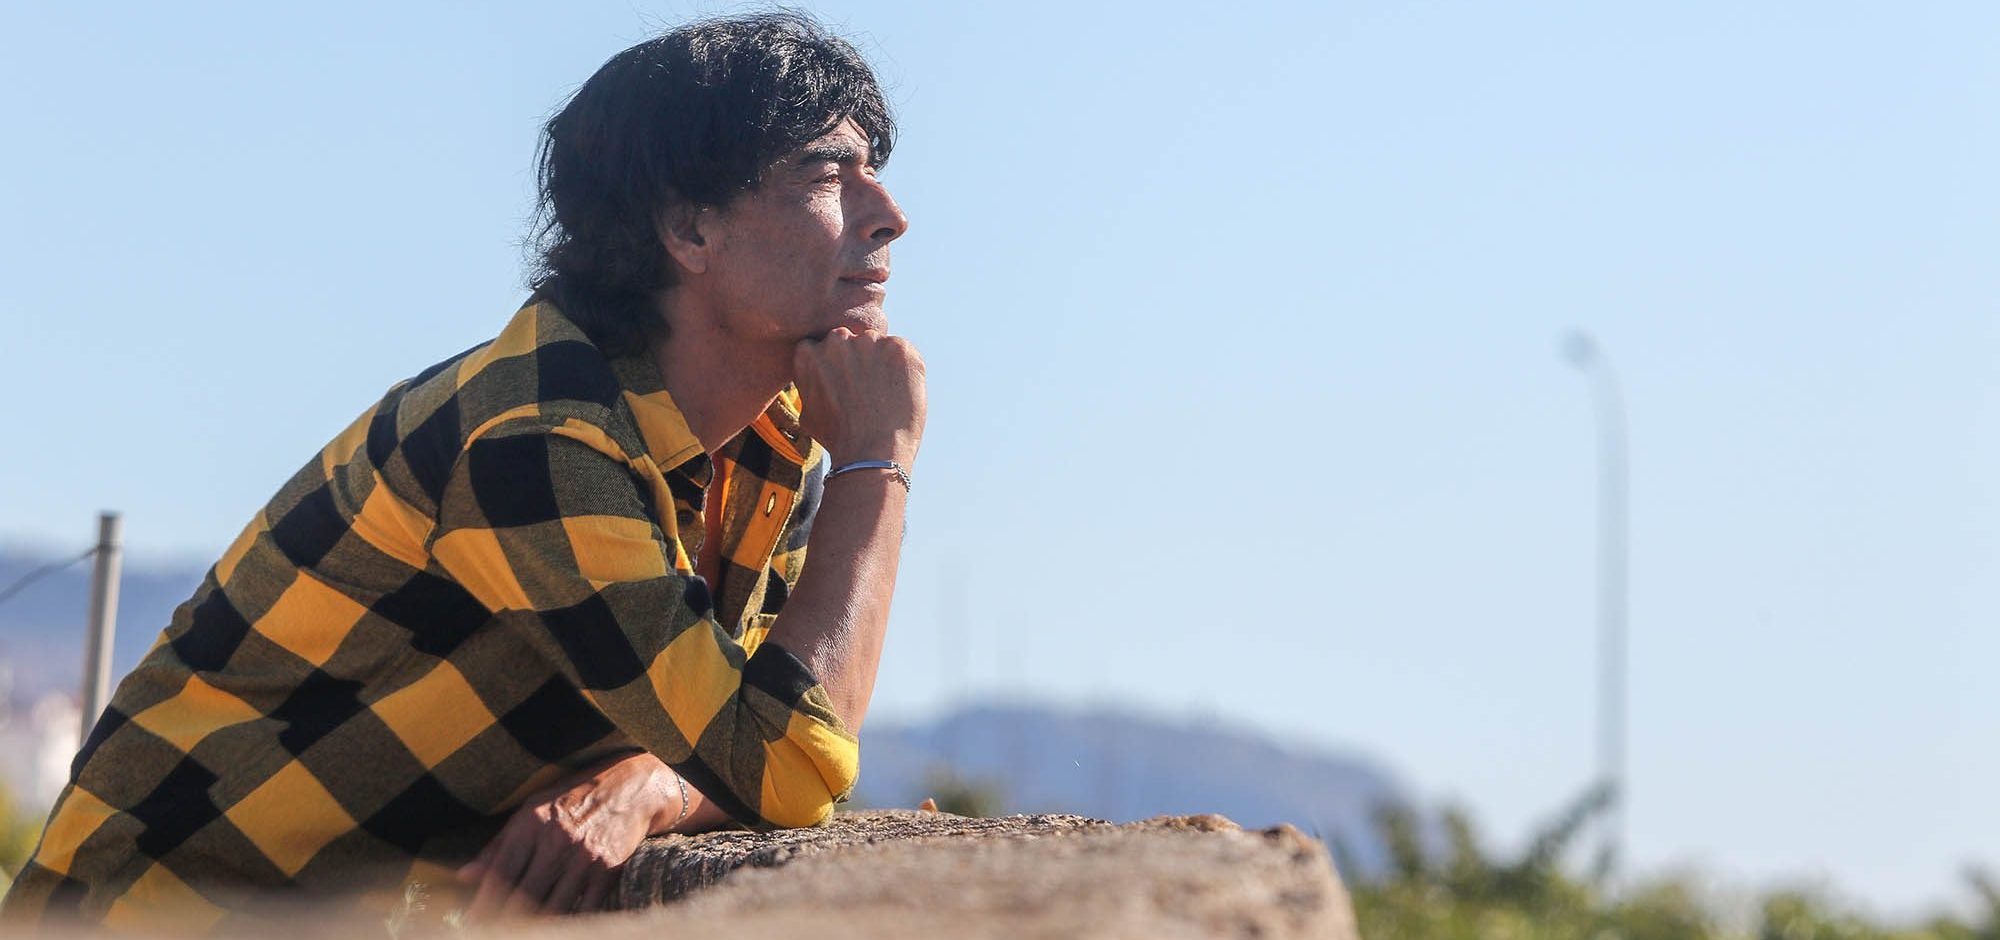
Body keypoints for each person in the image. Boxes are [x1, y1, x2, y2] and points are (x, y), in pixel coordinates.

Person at [0, 11, 920, 932]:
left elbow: (758, 723)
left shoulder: (773, 448)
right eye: (828, 175)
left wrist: (649, 785)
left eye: (874, 171)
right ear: (688, 227)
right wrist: (878, 462)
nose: (889, 215)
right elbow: (792, 758)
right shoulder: (539, 443)